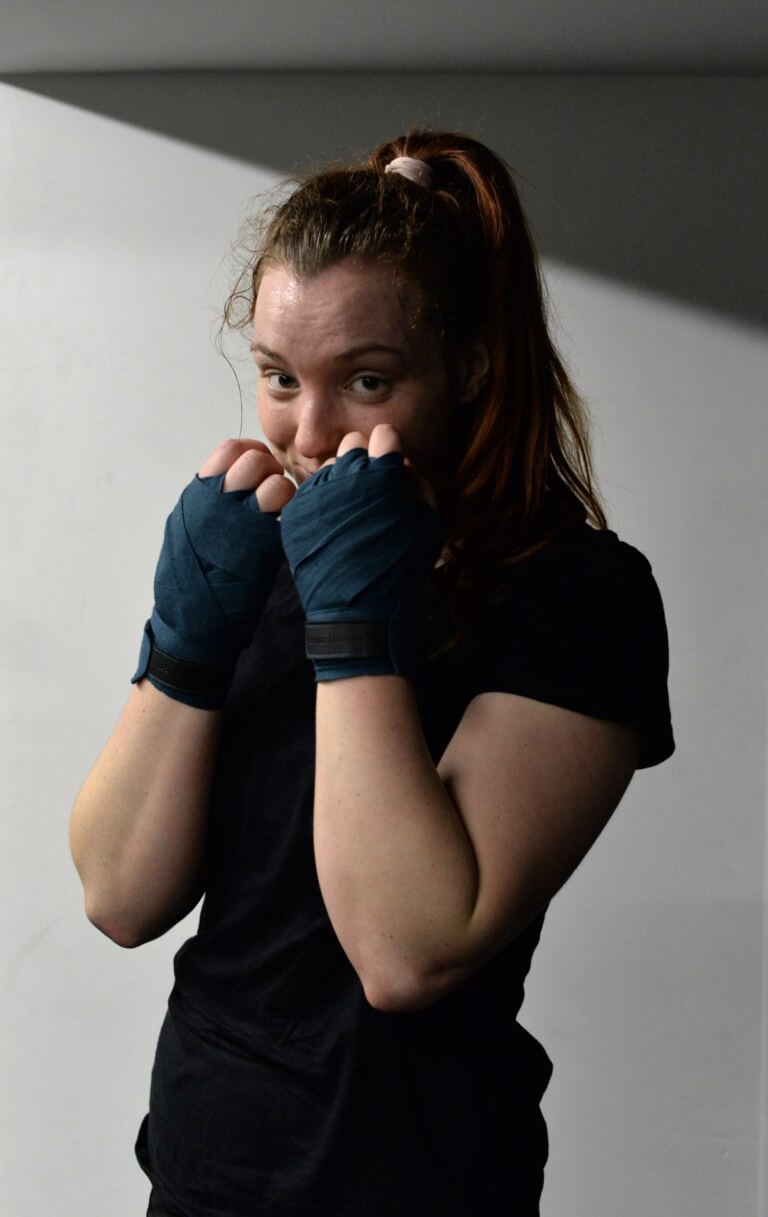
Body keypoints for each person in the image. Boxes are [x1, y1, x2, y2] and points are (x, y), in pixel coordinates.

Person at [69, 129, 675, 1217]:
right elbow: (118, 895)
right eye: (278, 376)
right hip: (202, 1171)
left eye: (366, 380)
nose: (308, 432)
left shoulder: (579, 593)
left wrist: (351, 627)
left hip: (419, 1180)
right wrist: (183, 649)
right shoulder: (267, 554)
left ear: (471, 365)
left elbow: (407, 953)